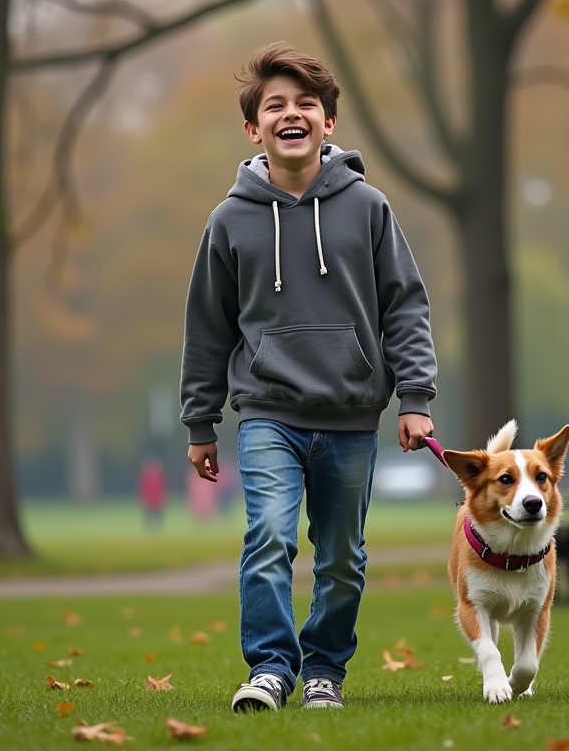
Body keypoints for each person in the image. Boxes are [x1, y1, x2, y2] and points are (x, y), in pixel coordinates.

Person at [179, 41, 438, 713]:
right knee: (267, 534)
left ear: (328, 123)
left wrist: (416, 397)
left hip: (352, 416)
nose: (291, 114)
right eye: (275, 105)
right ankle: (270, 667)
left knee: (341, 559)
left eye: (306, 105)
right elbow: (208, 325)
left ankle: (324, 668)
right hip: (269, 412)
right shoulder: (228, 219)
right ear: (253, 128)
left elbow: (405, 305)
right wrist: (200, 421)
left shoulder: (369, 208)